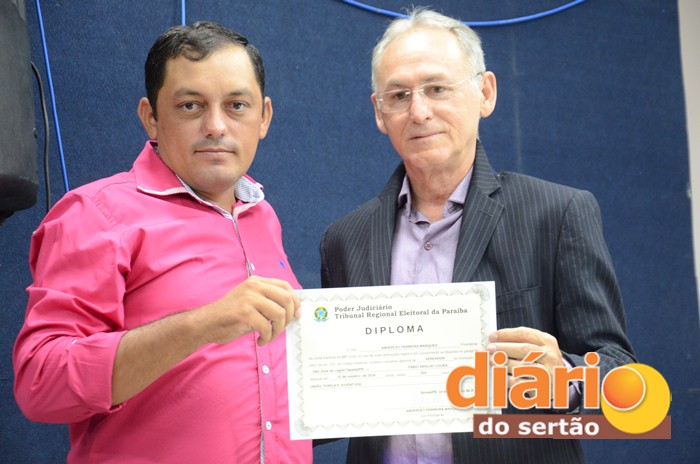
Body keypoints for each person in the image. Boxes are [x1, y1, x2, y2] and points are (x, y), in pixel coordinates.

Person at [319, 8, 635, 464]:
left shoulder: (557, 214)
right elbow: (334, 393)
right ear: (379, 112)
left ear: (485, 93)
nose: (419, 111)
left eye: (437, 88)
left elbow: (621, 371)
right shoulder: (344, 240)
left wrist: (568, 378)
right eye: (399, 95)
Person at [13, 21, 311, 463]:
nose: (216, 126)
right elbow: (41, 384)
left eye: (236, 105)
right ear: (150, 116)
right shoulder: (94, 214)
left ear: (263, 117)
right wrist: (200, 325)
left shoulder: (261, 215)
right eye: (190, 105)